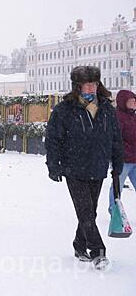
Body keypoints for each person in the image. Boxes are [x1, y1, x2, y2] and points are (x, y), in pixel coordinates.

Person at [45, 66, 122, 270]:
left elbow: (115, 138)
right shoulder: (65, 109)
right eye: (88, 84)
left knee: (90, 211)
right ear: (78, 86)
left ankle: (80, 246)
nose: (92, 87)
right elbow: (53, 139)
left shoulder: (106, 108)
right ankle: (98, 251)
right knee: (86, 211)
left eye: (95, 83)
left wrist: (117, 163)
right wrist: (54, 165)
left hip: (97, 166)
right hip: (74, 167)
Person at [109, 90, 136, 213]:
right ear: (124, 102)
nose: (134, 103)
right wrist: (127, 151)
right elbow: (116, 138)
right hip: (123, 160)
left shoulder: (133, 116)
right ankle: (115, 211)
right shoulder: (118, 117)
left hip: (134, 159)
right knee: (117, 187)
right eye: (131, 101)